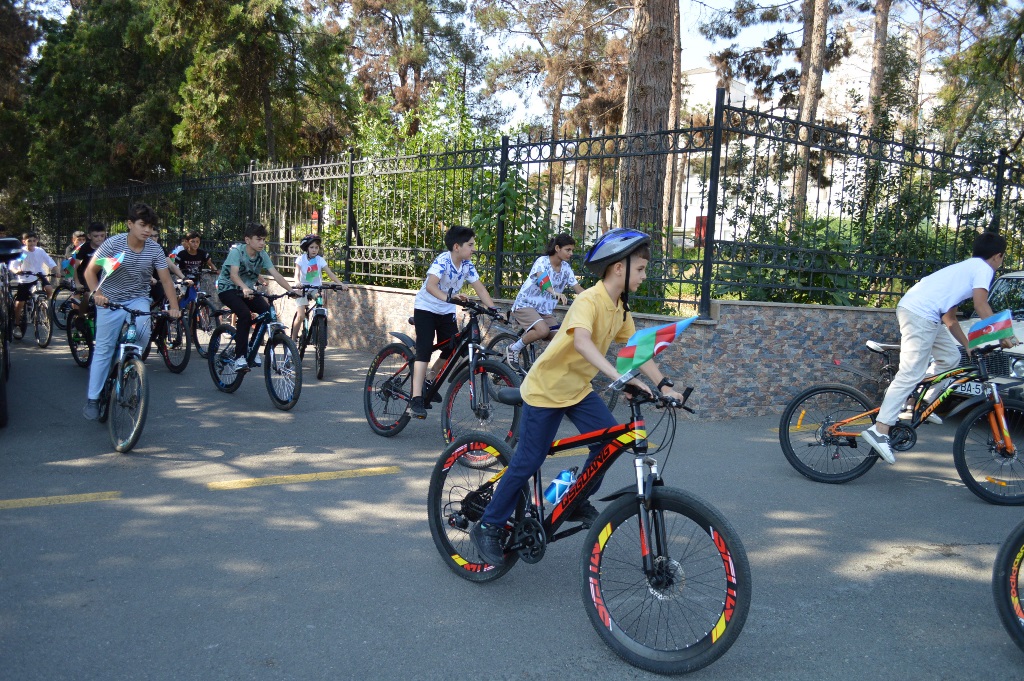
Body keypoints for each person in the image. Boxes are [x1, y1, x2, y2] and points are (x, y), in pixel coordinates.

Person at [470, 228, 684, 566]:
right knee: (528, 461)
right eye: (640, 269)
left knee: (610, 443)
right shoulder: (590, 300)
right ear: (618, 268)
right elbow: (582, 342)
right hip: (546, 389)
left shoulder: (619, 308)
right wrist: (620, 378)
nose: (644, 275)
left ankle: (573, 499)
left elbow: (636, 350)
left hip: (576, 390)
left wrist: (666, 385)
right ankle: (489, 524)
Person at [861, 231, 1017, 464]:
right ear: (998, 256)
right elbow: (981, 304)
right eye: (1001, 259)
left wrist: (968, 346)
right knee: (911, 372)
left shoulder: (964, 270)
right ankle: (880, 429)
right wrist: (1004, 334)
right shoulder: (984, 269)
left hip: (928, 315)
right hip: (920, 314)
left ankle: (919, 403)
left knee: (951, 358)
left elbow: (950, 318)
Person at [81, 203, 181, 420]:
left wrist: (174, 307)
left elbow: (165, 280)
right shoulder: (113, 244)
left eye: (150, 226)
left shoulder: (154, 249)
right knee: (104, 349)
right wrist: (96, 293)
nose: (147, 230)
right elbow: (91, 271)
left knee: (143, 336)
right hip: (109, 299)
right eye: (142, 225)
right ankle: (93, 398)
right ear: (129, 224)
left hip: (138, 298)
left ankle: (128, 366)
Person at [409, 225, 497, 419]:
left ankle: (430, 379)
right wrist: (449, 297)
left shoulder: (467, 264)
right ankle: (415, 398)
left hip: (446, 309)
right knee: (424, 349)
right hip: (426, 307)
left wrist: (493, 309)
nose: (474, 248)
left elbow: (480, 289)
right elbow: (431, 286)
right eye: (471, 245)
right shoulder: (443, 260)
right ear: (457, 246)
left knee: (452, 347)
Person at [215, 222, 298, 372]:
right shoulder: (237, 252)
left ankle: (252, 348)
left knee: (266, 312)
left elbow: (276, 274)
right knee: (245, 314)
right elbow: (233, 275)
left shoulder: (262, 255)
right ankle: (240, 357)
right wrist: (245, 287)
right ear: (248, 240)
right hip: (228, 288)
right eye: (258, 239)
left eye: (264, 239)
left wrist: (291, 290)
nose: (262, 243)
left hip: (247, 290)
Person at [504, 232, 585, 372]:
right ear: (557, 248)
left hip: (544, 311)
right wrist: (554, 292)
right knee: (542, 330)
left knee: (563, 338)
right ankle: (513, 348)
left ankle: (545, 370)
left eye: (572, 250)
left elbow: (578, 288)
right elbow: (542, 279)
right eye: (568, 250)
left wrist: (595, 299)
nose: (571, 253)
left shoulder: (566, 268)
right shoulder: (542, 261)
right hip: (525, 304)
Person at [290, 234, 347, 341]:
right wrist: (297, 282)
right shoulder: (300, 259)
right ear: (307, 248)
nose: (314, 250)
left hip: (315, 288)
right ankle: (292, 340)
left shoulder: (320, 260)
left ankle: (319, 320)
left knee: (322, 297)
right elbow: (296, 274)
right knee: (301, 315)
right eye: (311, 247)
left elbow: (330, 274)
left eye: (316, 247)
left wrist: (341, 284)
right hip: (303, 288)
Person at [10, 231, 57, 339]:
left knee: (49, 289)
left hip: (38, 274)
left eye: (34, 240)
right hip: (25, 277)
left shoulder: (40, 251)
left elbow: (49, 261)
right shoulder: (22, 253)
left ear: (37, 241)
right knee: (20, 303)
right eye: (29, 241)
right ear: (24, 242)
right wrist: (17, 270)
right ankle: (17, 325)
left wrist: (56, 270)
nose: (32, 243)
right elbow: (14, 265)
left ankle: (45, 308)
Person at [73, 222, 107, 309]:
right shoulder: (84, 248)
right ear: (89, 236)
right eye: (96, 236)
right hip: (84, 275)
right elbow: (76, 266)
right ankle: (79, 317)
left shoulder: (108, 246)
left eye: (102, 236)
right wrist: (77, 282)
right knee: (86, 295)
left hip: (101, 276)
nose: (99, 239)